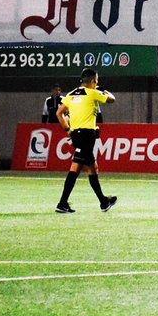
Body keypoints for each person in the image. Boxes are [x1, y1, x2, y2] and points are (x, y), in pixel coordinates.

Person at [54, 68, 118, 214]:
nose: (97, 83)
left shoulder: (71, 94)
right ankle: (62, 203)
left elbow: (59, 113)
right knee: (75, 169)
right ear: (93, 81)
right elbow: (112, 99)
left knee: (92, 168)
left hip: (77, 135)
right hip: (87, 136)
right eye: (96, 81)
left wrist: (68, 130)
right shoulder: (93, 92)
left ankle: (103, 201)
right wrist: (104, 90)